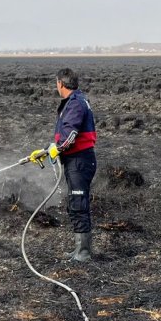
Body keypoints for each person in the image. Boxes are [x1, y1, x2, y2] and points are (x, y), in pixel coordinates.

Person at [29, 68, 97, 262]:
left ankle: (83, 253)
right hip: (76, 159)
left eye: (56, 83)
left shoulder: (75, 104)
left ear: (60, 83)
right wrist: (45, 150)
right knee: (75, 204)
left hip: (80, 160)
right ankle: (79, 250)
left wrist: (57, 148)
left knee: (78, 204)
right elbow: (66, 136)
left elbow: (71, 135)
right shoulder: (76, 101)